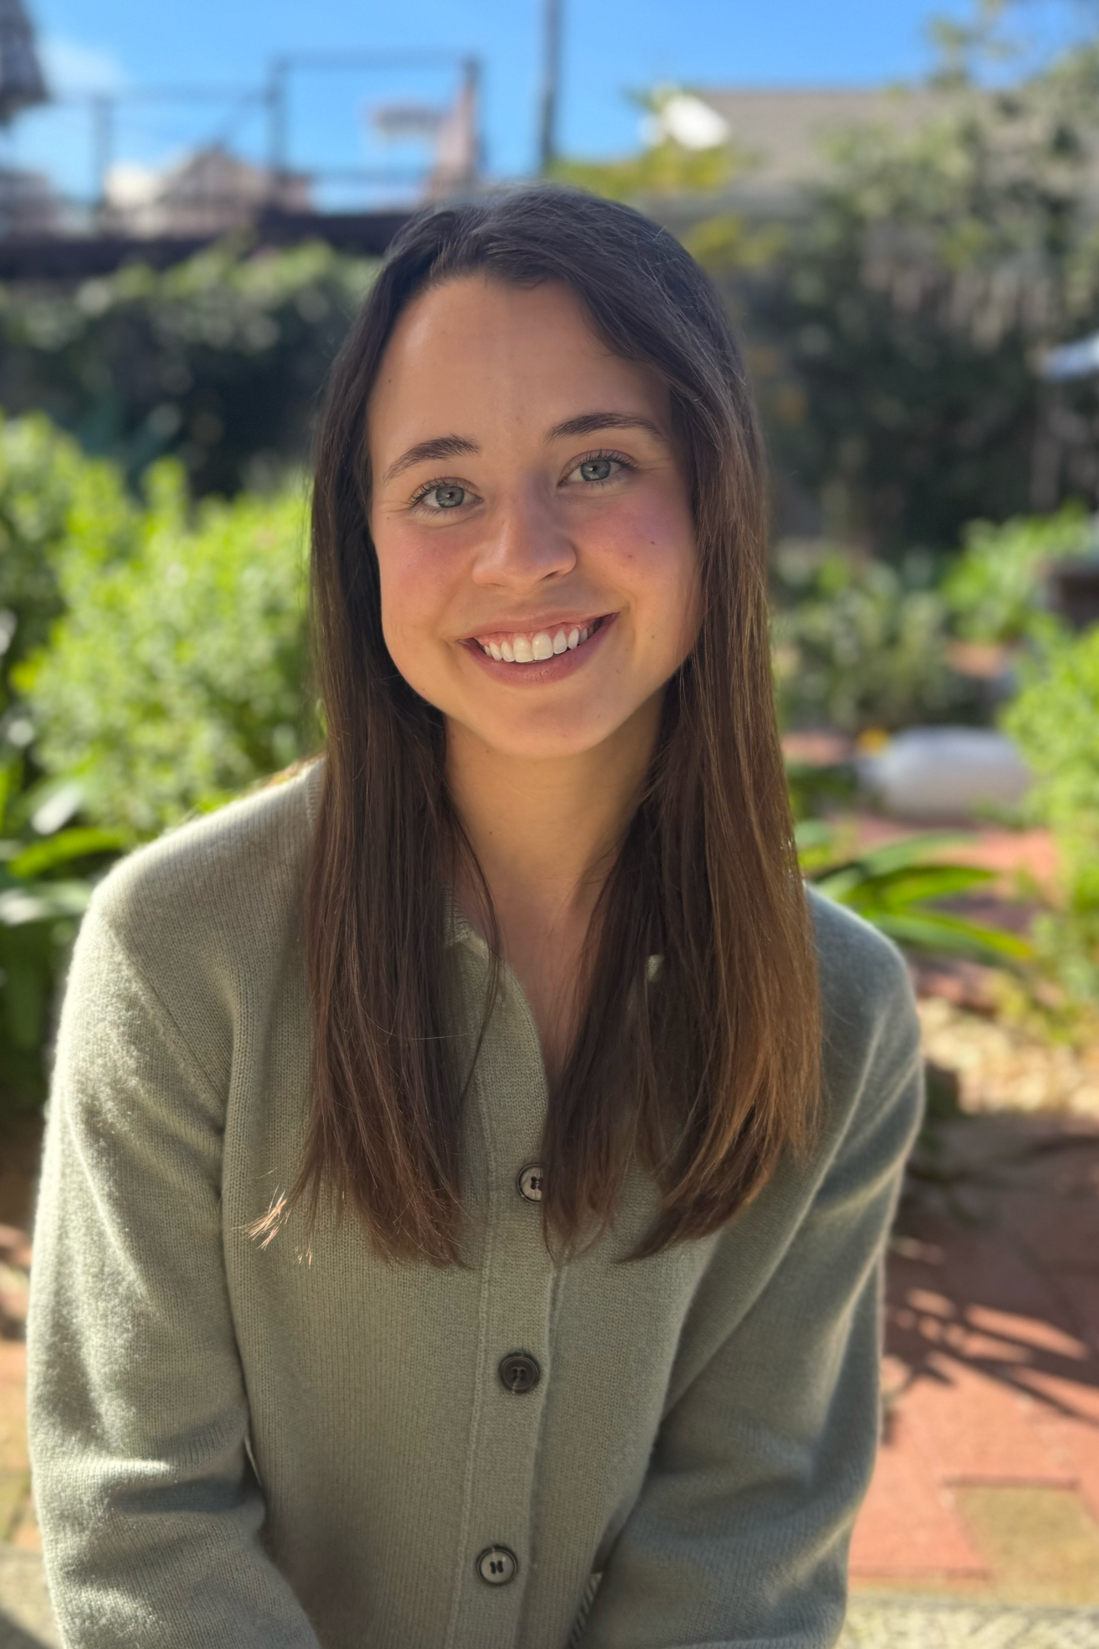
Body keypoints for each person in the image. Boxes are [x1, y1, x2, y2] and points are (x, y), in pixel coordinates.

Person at [26, 185, 923, 1649]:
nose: (523, 553)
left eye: (598, 463)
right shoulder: (180, 949)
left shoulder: (840, 1011)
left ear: (715, 495)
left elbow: (744, 1533)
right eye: (442, 490)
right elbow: (141, 1517)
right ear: (364, 540)